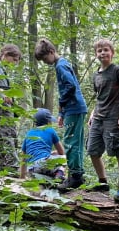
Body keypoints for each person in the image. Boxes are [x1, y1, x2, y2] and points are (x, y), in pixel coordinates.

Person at [34, 38, 88, 191]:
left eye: (45, 59)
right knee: (74, 141)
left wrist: (62, 103)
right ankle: (77, 174)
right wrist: (61, 112)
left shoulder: (61, 65)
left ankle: (75, 176)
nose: (45, 62)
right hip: (73, 109)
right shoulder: (62, 64)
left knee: (71, 143)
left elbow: (70, 86)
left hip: (74, 108)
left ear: (51, 52)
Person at [87, 38, 119, 203]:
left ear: (112, 52)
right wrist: (92, 113)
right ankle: (103, 182)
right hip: (98, 118)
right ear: (96, 54)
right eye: (99, 51)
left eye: (106, 50)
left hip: (114, 118)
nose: (102, 53)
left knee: (118, 151)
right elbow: (100, 97)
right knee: (92, 151)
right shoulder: (96, 75)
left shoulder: (117, 70)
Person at [0, 44, 22, 169]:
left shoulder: (2, 69)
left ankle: (1, 167)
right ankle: (12, 166)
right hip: (0, 107)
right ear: (6, 55)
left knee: (1, 137)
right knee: (8, 135)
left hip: (3, 106)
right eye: (14, 59)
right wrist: (3, 94)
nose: (15, 63)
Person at [20, 108, 67, 181]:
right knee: (64, 157)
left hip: (31, 169)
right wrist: (54, 153)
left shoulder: (29, 133)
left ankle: (45, 177)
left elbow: (23, 157)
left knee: (44, 164)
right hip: (44, 164)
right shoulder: (51, 130)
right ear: (48, 122)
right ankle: (59, 175)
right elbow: (61, 152)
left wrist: (22, 176)